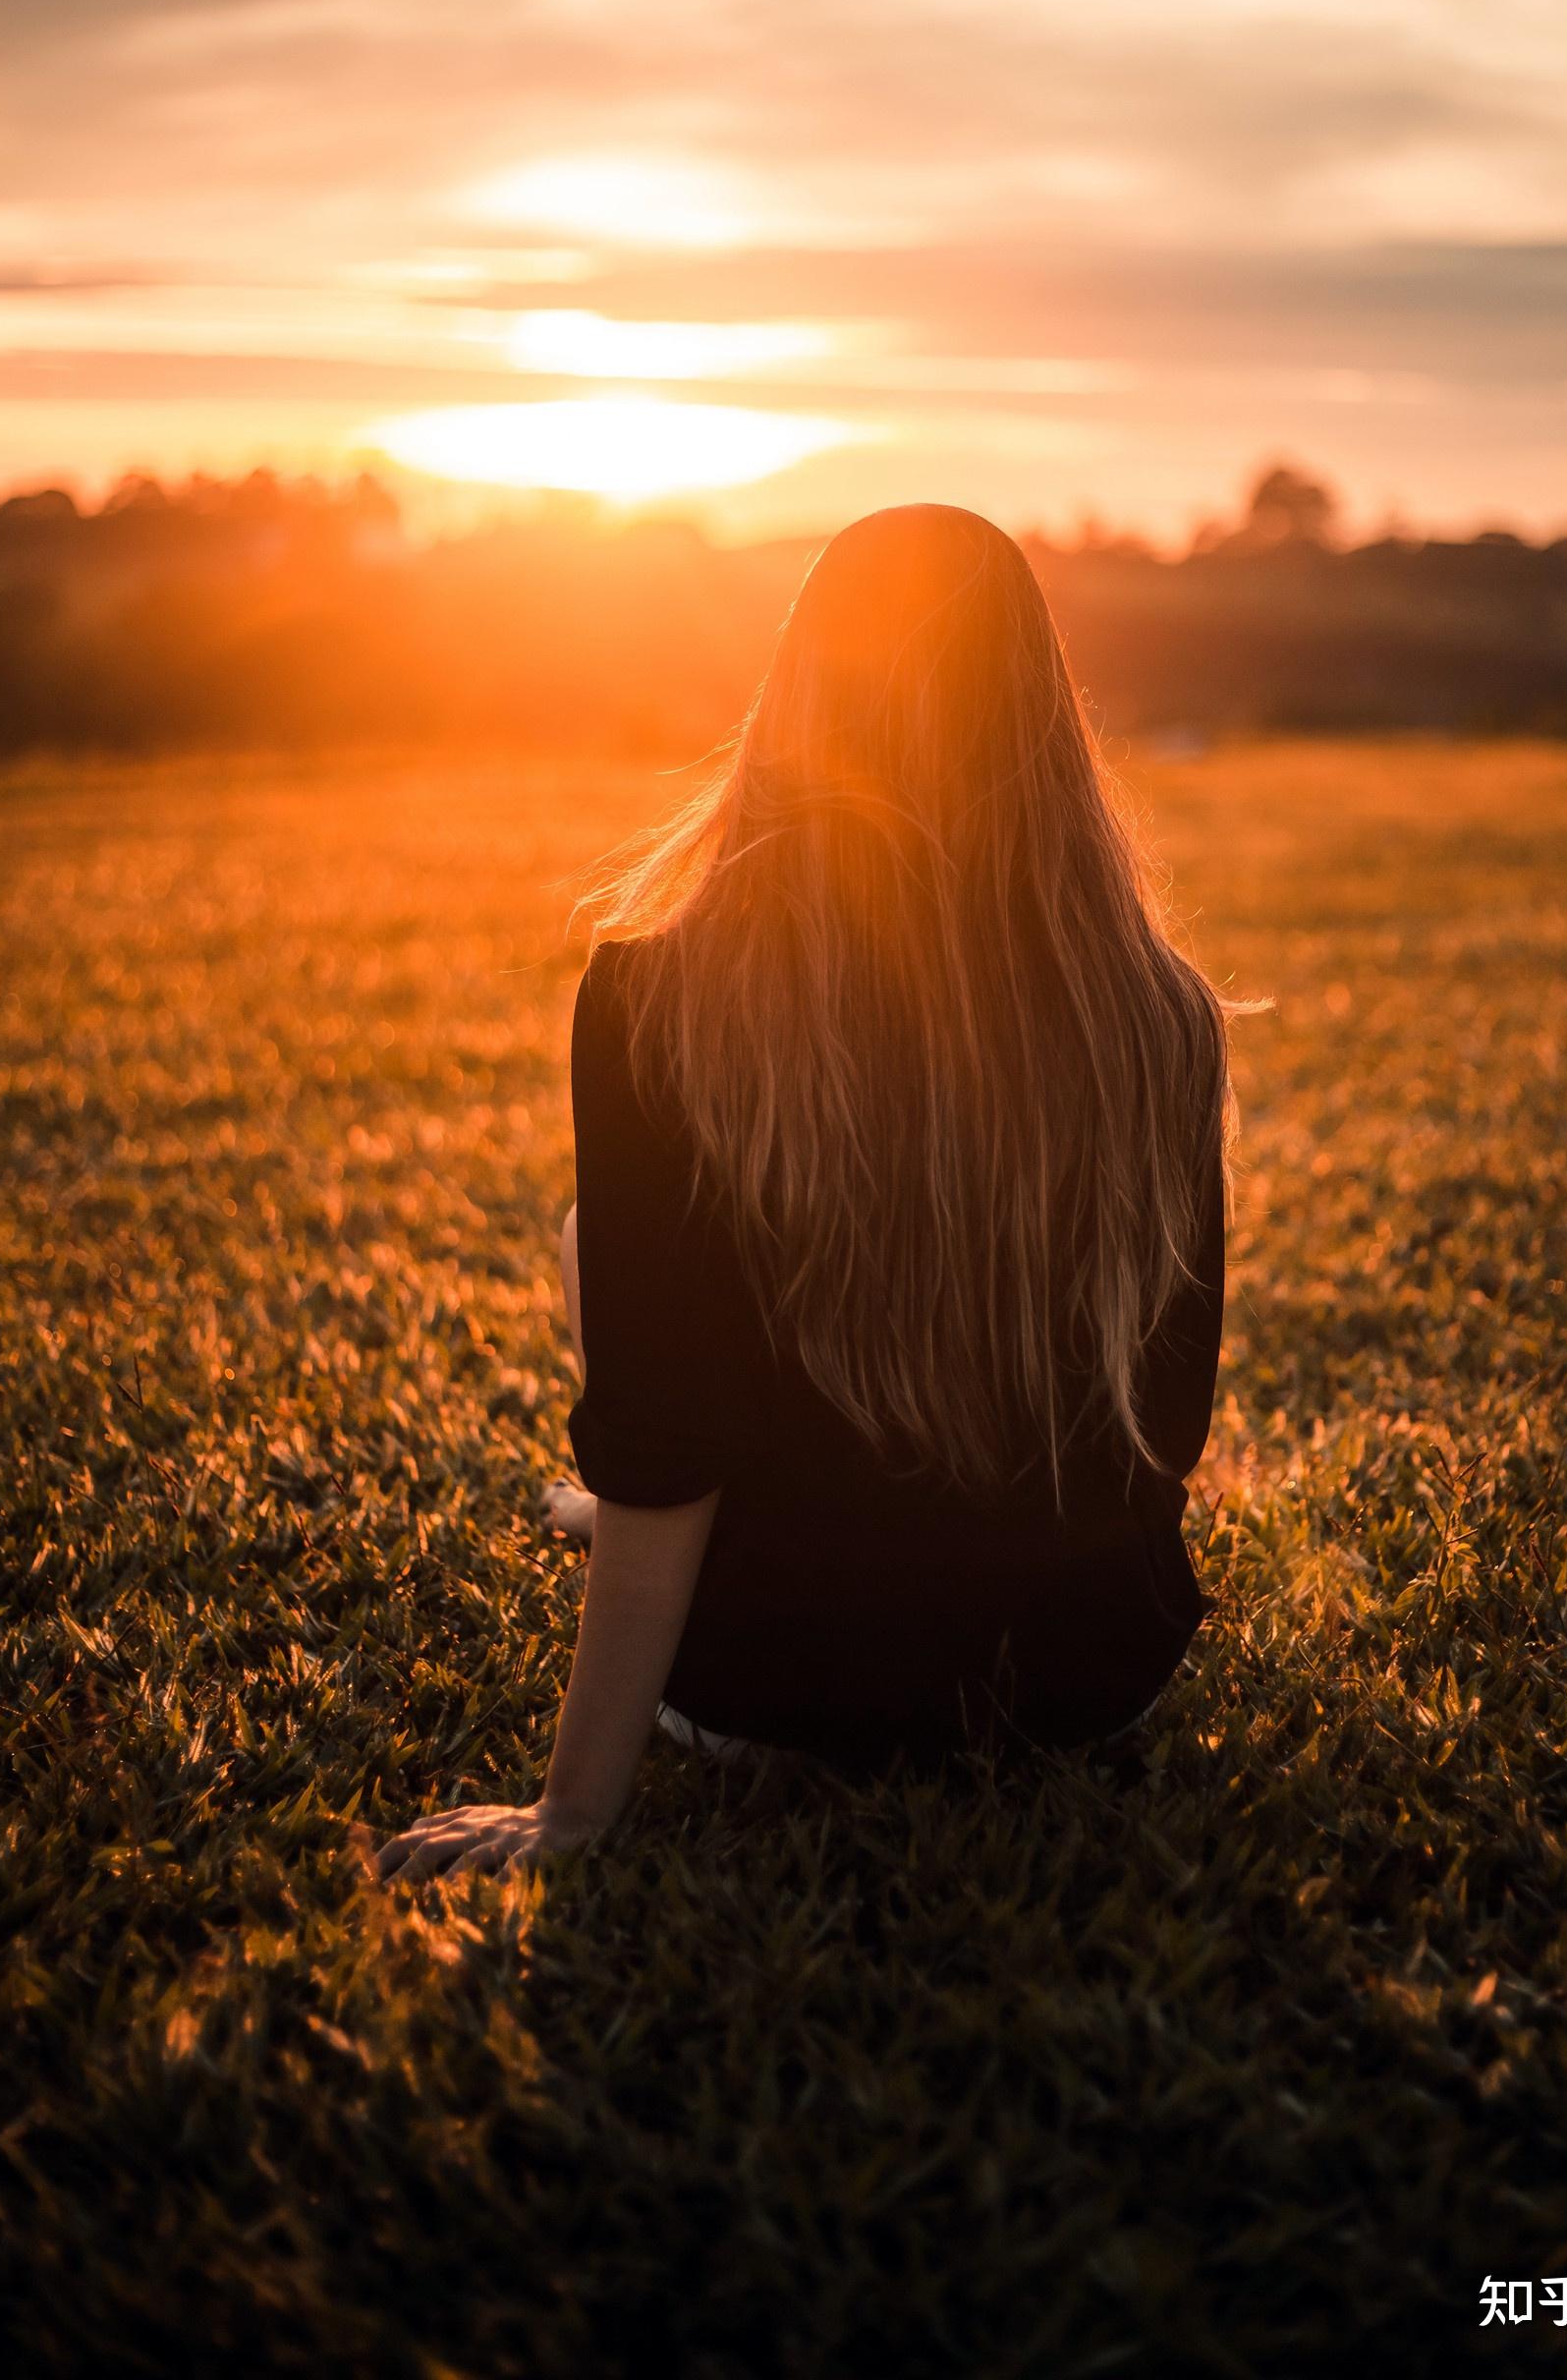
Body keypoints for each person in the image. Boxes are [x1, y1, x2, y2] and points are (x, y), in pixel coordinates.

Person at [378, 504, 1235, 1882]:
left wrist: (573, 1817)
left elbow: (663, 1449)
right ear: (1042, 716)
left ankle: (756, 1541)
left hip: (783, 1691)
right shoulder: (1164, 1016)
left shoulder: (656, 1000)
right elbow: (1167, 1419)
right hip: (1090, 1680)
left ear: (799, 693)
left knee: (599, 1245)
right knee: (611, 1240)